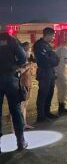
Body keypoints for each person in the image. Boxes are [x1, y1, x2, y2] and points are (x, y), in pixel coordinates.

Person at [0, 24, 28, 152]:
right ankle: (21, 142)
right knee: (16, 110)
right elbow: (23, 58)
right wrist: (14, 66)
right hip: (11, 79)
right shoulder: (12, 41)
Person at [33, 27, 60, 123]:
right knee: (43, 94)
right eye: (52, 36)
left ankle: (47, 112)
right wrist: (53, 60)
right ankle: (41, 116)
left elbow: (56, 58)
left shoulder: (47, 45)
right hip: (44, 72)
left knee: (50, 93)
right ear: (48, 35)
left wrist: (53, 60)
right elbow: (44, 60)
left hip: (50, 72)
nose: (53, 38)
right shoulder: (39, 45)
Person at [20, 42, 35, 129]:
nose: (30, 52)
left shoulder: (28, 61)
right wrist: (28, 67)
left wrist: (32, 67)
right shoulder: (21, 62)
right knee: (22, 105)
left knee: (25, 105)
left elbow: (32, 74)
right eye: (29, 50)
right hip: (23, 86)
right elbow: (20, 72)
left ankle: (24, 123)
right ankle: (21, 124)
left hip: (28, 85)